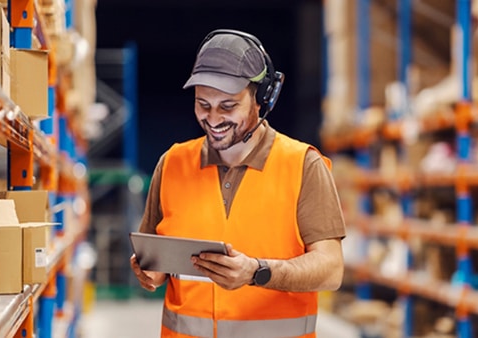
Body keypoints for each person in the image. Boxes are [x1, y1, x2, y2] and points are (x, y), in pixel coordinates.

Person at [129, 29, 347, 338]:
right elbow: (156, 264)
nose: (213, 119)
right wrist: (149, 273)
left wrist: (258, 272)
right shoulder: (173, 163)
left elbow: (331, 269)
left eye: (228, 106)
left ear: (262, 99)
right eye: (203, 104)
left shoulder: (302, 165)